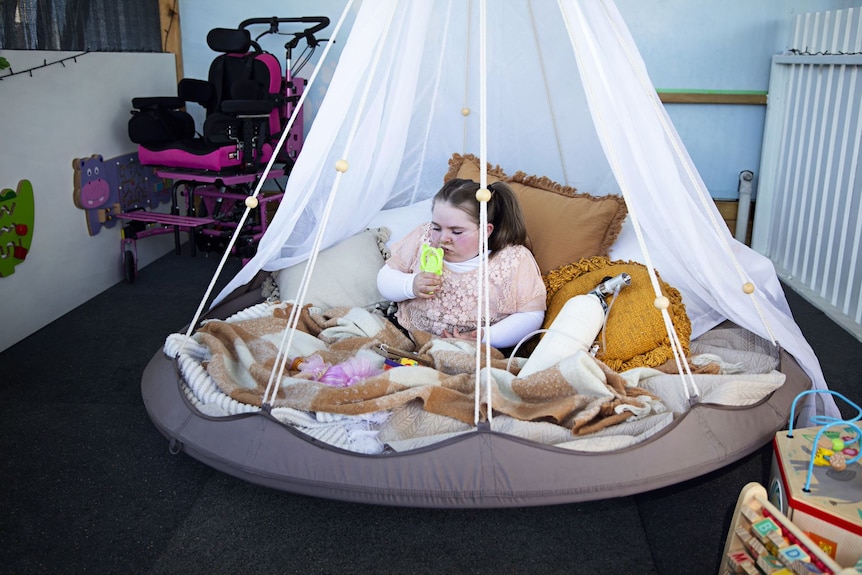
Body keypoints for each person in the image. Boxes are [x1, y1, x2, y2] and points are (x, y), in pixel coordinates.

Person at [376, 178, 546, 349]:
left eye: (456, 231)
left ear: (486, 231)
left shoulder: (512, 259)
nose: (443, 239)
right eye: (436, 228)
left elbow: (531, 315)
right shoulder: (424, 239)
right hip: (408, 332)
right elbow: (385, 277)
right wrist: (410, 285)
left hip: (474, 347)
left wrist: (486, 336)